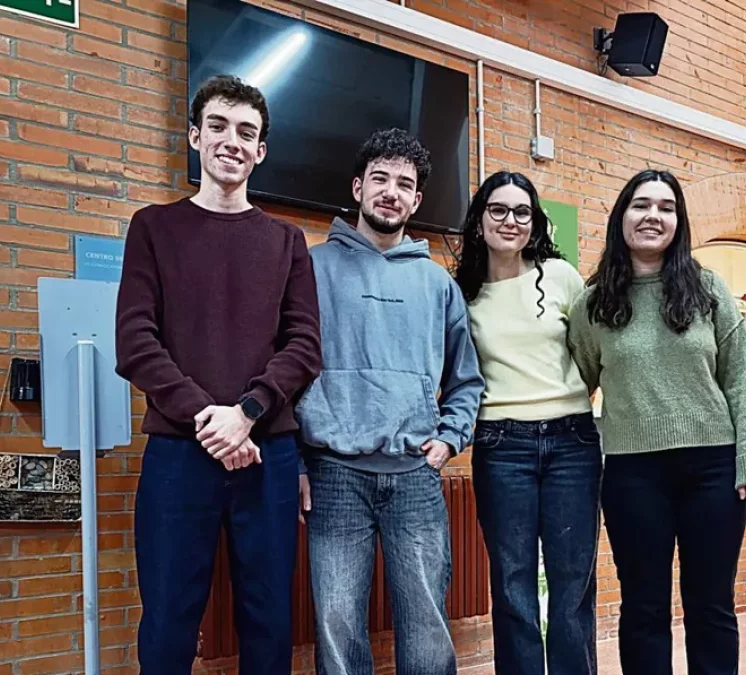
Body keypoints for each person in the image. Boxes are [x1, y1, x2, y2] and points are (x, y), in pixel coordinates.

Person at [115, 74, 322, 675]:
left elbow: (305, 344)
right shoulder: (153, 227)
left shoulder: (288, 242)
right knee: (168, 617)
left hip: (269, 456)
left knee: (269, 615)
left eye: (247, 132)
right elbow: (135, 341)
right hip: (181, 454)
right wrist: (211, 420)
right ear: (194, 137)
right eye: (219, 126)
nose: (232, 141)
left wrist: (248, 414)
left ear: (261, 152)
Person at [566, 169, 746, 675]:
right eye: (641, 205)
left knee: (711, 605)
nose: (652, 216)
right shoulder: (594, 303)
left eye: (665, 207)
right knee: (643, 607)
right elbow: (580, 383)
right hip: (632, 474)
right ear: (622, 218)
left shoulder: (709, 291)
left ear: (678, 222)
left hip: (712, 470)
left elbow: (738, 380)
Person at [295, 128, 485, 675]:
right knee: (336, 622)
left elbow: (466, 380)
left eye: (404, 184)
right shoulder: (310, 268)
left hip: (414, 477)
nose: (391, 192)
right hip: (333, 474)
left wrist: (449, 440)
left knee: (427, 623)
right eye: (380, 178)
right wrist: (297, 464)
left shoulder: (437, 284)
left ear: (416, 200)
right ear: (358, 187)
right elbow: (284, 368)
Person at [452, 171, 600, 675]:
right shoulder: (463, 294)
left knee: (572, 581)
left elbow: (591, 355)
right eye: (498, 210)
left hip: (572, 441)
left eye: (522, 212)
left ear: (535, 222)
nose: (510, 221)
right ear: (478, 221)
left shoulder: (561, 277)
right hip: (500, 443)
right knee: (512, 584)